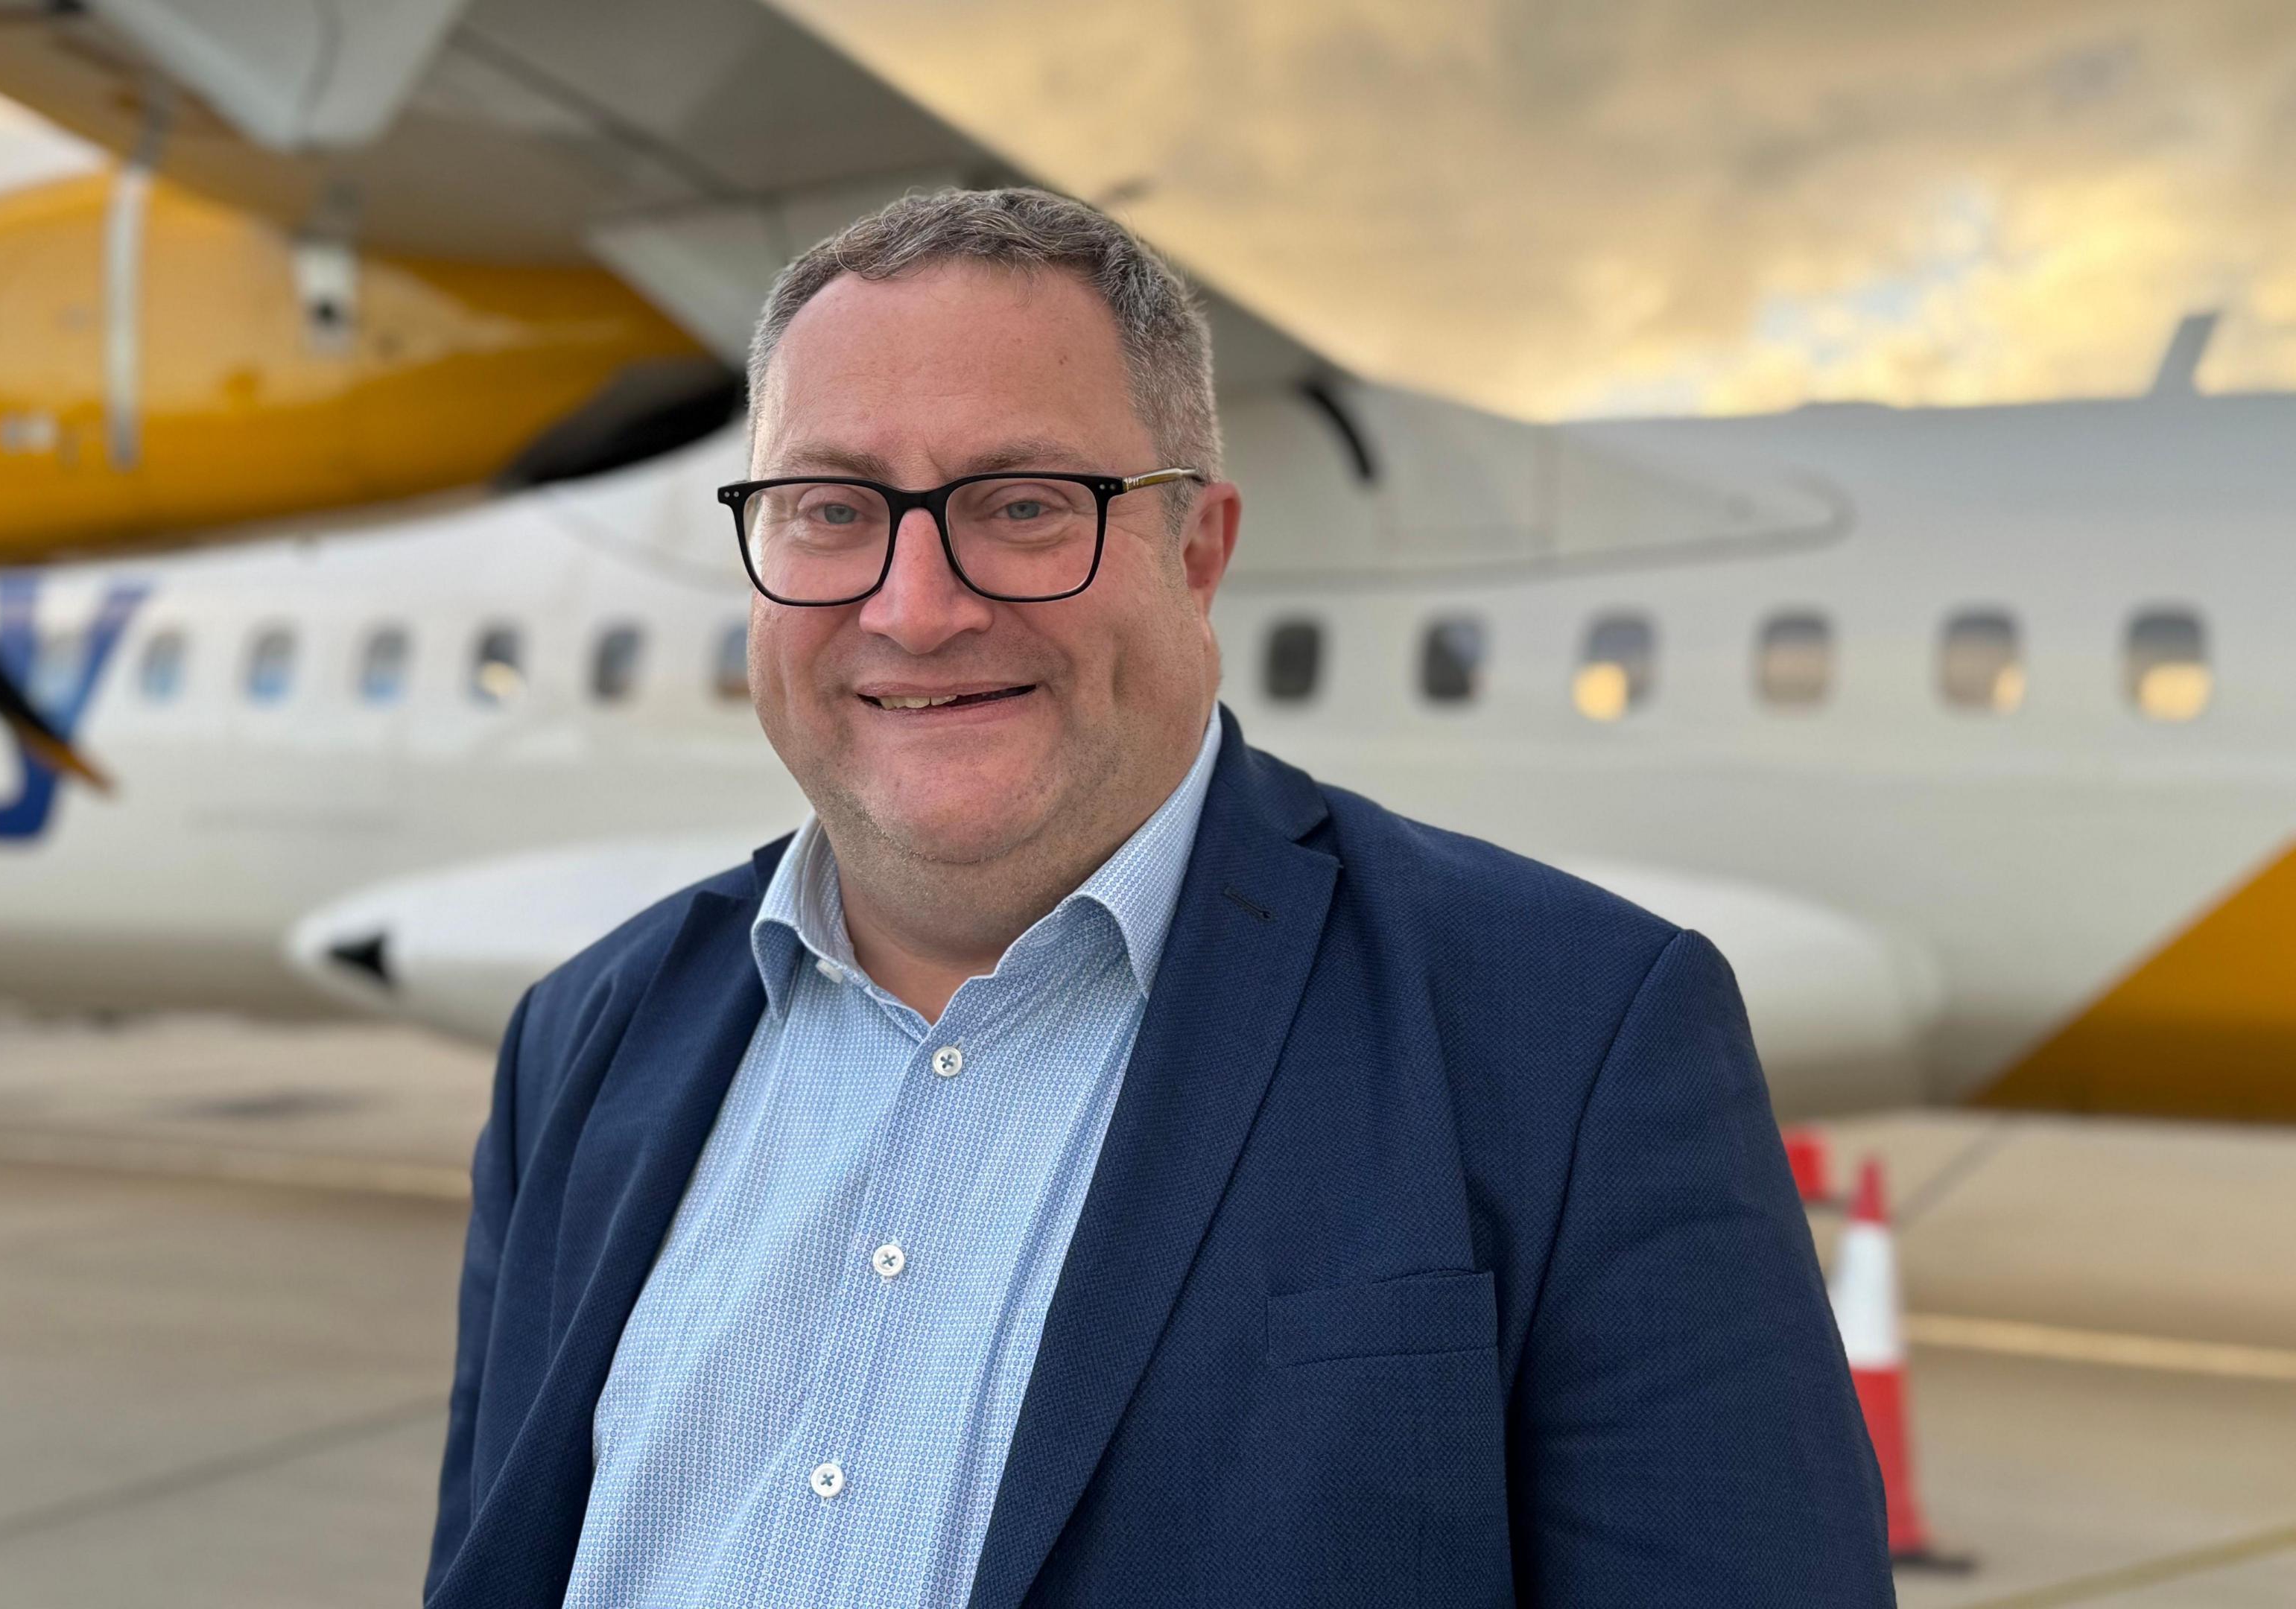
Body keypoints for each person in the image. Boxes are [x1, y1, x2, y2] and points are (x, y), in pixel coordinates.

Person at [425, 187, 1892, 1608]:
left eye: (1021, 505)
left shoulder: (1570, 1040)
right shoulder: (588, 1040)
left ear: (1198, 550)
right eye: (831, 509)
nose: (916, 606)